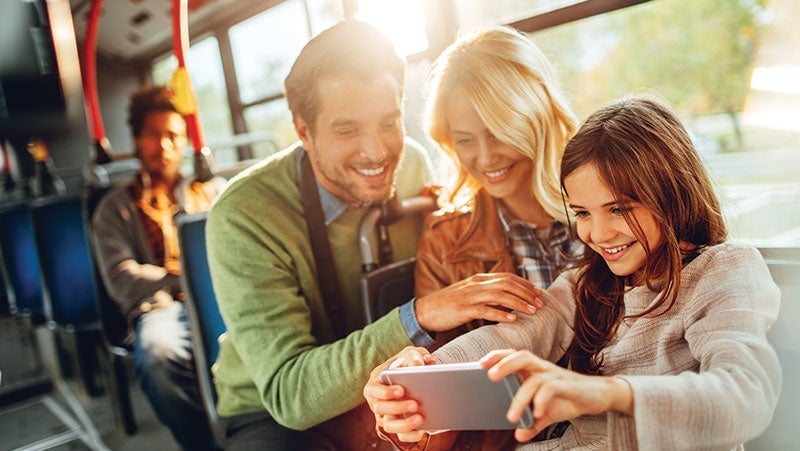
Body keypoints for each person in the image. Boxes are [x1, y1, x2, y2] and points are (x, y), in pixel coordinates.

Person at [364, 96, 782, 450]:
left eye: (619, 208)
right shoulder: (583, 284)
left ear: (670, 193)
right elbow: (510, 336)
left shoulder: (723, 269)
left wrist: (603, 394)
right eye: (582, 213)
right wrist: (419, 376)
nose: (598, 234)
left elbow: (745, 394)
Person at [206, 20, 542, 450]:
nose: (377, 152)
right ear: (303, 130)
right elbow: (291, 396)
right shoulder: (244, 214)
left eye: (388, 122)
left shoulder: (413, 165)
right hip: (277, 416)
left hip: (390, 379)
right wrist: (419, 315)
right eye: (347, 130)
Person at [414, 26, 583, 351]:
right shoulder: (443, 243)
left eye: (499, 132)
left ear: (538, 116)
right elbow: (443, 371)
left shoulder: (614, 196)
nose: (486, 158)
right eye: (465, 140)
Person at [91, 85, 225, 450]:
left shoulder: (211, 192)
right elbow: (121, 278)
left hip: (222, 297)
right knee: (158, 355)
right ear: (136, 140)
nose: (163, 145)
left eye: (173, 136)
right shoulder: (114, 209)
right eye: (153, 134)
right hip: (162, 307)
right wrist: (181, 278)